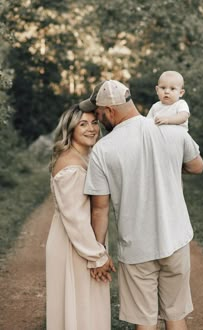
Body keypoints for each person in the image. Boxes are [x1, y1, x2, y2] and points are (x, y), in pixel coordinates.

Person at [79, 80, 203, 330]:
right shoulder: (173, 130)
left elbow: (100, 209)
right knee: (175, 314)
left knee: (144, 321)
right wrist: (167, 165)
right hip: (176, 238)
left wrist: (98, 254)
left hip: (137, 249)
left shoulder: (103, 150)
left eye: (99, 113)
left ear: (111, 111)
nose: (99, 119)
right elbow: (197, 166)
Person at [46, 104, 115, 330]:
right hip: (73, 243)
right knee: (80, 306)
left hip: (84, 240)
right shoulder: (70, 164)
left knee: (88, 305)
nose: (91, 129)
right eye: (82, 124)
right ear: (71, 129)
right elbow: (75, 218)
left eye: (94, 122)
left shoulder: (88, 156)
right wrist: (97, 256)